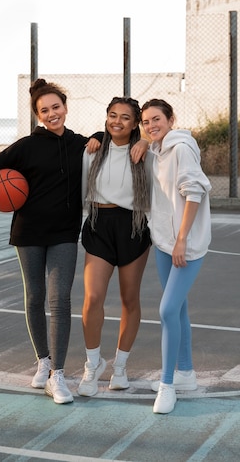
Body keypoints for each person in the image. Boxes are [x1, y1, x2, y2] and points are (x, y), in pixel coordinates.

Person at [0, 78, 103, 405]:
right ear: (38, 115)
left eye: (56, 107)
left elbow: (108, 137)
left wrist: (99, 136)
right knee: (35, 296)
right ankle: (43, 359)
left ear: (65, 108)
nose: (52, 113)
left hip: (64, 233)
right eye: (45, 110)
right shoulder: (26, 146)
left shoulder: (77, 143)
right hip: (28, 232)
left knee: (60, 300)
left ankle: (58, 375)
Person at [140, 98, 211, 414]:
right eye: (146, 122)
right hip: (164, 244)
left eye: (157, 119)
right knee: (178, 310)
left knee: (167, 310)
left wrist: (182, 240)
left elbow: (194, 193)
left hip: (187, 246)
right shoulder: (156, 151)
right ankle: (186, 374)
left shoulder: (181, 149)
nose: (151, 125)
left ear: (170, 120)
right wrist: (144, 142)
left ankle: (167, 386)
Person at [77, 96, 151, 397]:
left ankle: (120, 368)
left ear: (135, 123)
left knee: (129, 299)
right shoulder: (93, 151)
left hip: (132, 226)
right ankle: (92, 366)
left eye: (124, 117)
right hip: (99, 223)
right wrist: (94, 138)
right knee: (93, 298)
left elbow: (171, 142)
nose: (116, 121)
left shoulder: (146, 153)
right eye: (111, 115)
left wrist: (146, 142)